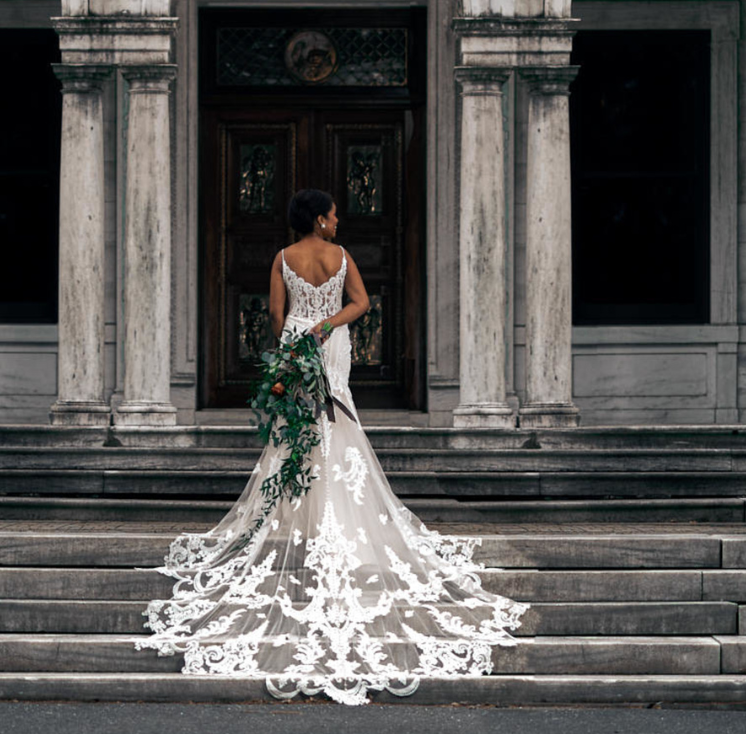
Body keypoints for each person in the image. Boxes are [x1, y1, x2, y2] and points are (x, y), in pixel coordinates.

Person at [135, 189, 528, 705]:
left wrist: (296, 343)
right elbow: (361, 303)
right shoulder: (341, 257)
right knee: (336, 424)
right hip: (330, 344)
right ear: (319, 220)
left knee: (297, 430)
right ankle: (335, 519)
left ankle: (302, 519)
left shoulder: (282, 258)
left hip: (300, 343)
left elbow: (276, 318)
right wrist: (329, 324)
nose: (339, 220)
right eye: (334, 213)